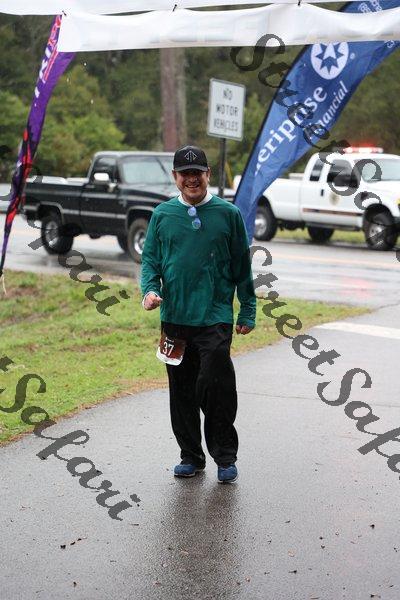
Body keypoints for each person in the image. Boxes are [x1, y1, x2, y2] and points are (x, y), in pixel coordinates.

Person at [141, 145, 256, 483]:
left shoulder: (228, 214)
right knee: (181, 390)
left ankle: (225, 456)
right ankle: (190, 456)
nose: (191, 179)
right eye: (185, 174)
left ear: (208, 175)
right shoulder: (162, 215)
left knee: (215, 384)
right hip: (174, 318)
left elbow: (242, 265)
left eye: (198, 173)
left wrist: (247, 309)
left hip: (214, 317)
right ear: (175, 177)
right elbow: (150, 261)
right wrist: (149, 290)